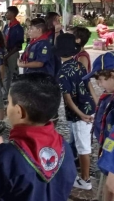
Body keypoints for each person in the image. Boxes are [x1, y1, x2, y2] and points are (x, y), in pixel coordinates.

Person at [0, 73, 76, 201]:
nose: (7, 108)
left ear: (19, 111)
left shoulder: (3, 158)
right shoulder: (65, 149)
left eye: (9, 102)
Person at [53, 33, 96, 190]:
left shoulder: (63, 72)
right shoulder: (80, 65)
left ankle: (85, 180)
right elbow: (90, 86)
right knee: (79, 143)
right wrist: (96, 104)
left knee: (84, 148)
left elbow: (68, 99)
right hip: (88, 108)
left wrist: (81, 115)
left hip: (79, 114)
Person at [82, 52, 114, 200]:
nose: (100, 84)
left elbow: (111, 186)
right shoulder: (109, 95)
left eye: (101, 80)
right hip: (106, 152)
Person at [3, 6, 24, 100]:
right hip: (6, 52)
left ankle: (14, 94)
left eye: (7, 12)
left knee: (13, 74)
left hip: (13, 52)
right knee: (6, 74)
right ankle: (6, 93)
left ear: (12, 14)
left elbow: (19, 45)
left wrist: (8, 55)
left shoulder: (18, 28)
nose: (6, 14)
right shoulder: (7, 26)